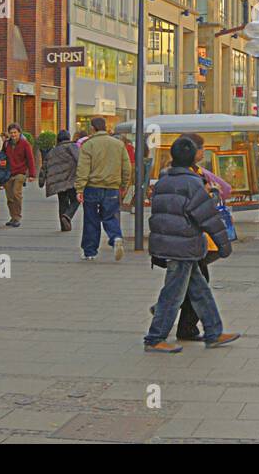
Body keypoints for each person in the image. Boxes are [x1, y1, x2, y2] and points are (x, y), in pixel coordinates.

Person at [143, 137, 240, 353]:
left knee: (200, 290)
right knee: (173, 294)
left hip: (170, 243)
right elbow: (207, 217)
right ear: (191, 156)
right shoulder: (193, 183)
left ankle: (214, 332)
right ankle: (154, 338)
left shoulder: (163, 181)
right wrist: (224, 244)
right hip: (183, 246)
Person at [174, 134, 233, 341]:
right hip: (187, 240)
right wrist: (212, 194)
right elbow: (201, 210)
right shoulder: (188, 178)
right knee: (187, 288)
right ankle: (161, 331)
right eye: (201, 148)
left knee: (195, 285)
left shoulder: (192, 173)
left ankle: (192, 328)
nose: (203, 152)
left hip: (189, 240)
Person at [74, 117, 130, 260]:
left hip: (92, 187)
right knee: (110, 216)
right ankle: (116, 237)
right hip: (112, 188)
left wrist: (79, 189)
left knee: (91, 220)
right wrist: (123, 185)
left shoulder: (88, 145)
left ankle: (90, 252)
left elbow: (83, 168)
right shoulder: (119, 144)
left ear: (92, 128)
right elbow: (126, 168)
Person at [41, 131, 81, 232]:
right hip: (71, 179)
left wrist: (41, 181)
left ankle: (64, 226)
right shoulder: (72, 146)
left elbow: (44, 167)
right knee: (76, 200)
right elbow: (80, 160)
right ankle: (67, 215)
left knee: (62, 202)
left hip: (58, 182)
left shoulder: (52, 151)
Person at [2, 124, 36, 227]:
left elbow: (30, 159)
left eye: (15, 132)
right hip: (8, 173)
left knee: (16, 194)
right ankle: (12, 217)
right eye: (11, 133)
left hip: (20, 173)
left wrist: (32, 174)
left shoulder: (25, 144)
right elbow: (2, 156)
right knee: (9, 197)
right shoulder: (6, 144)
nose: (13, 135)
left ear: (19, 133)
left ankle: (17, 217)